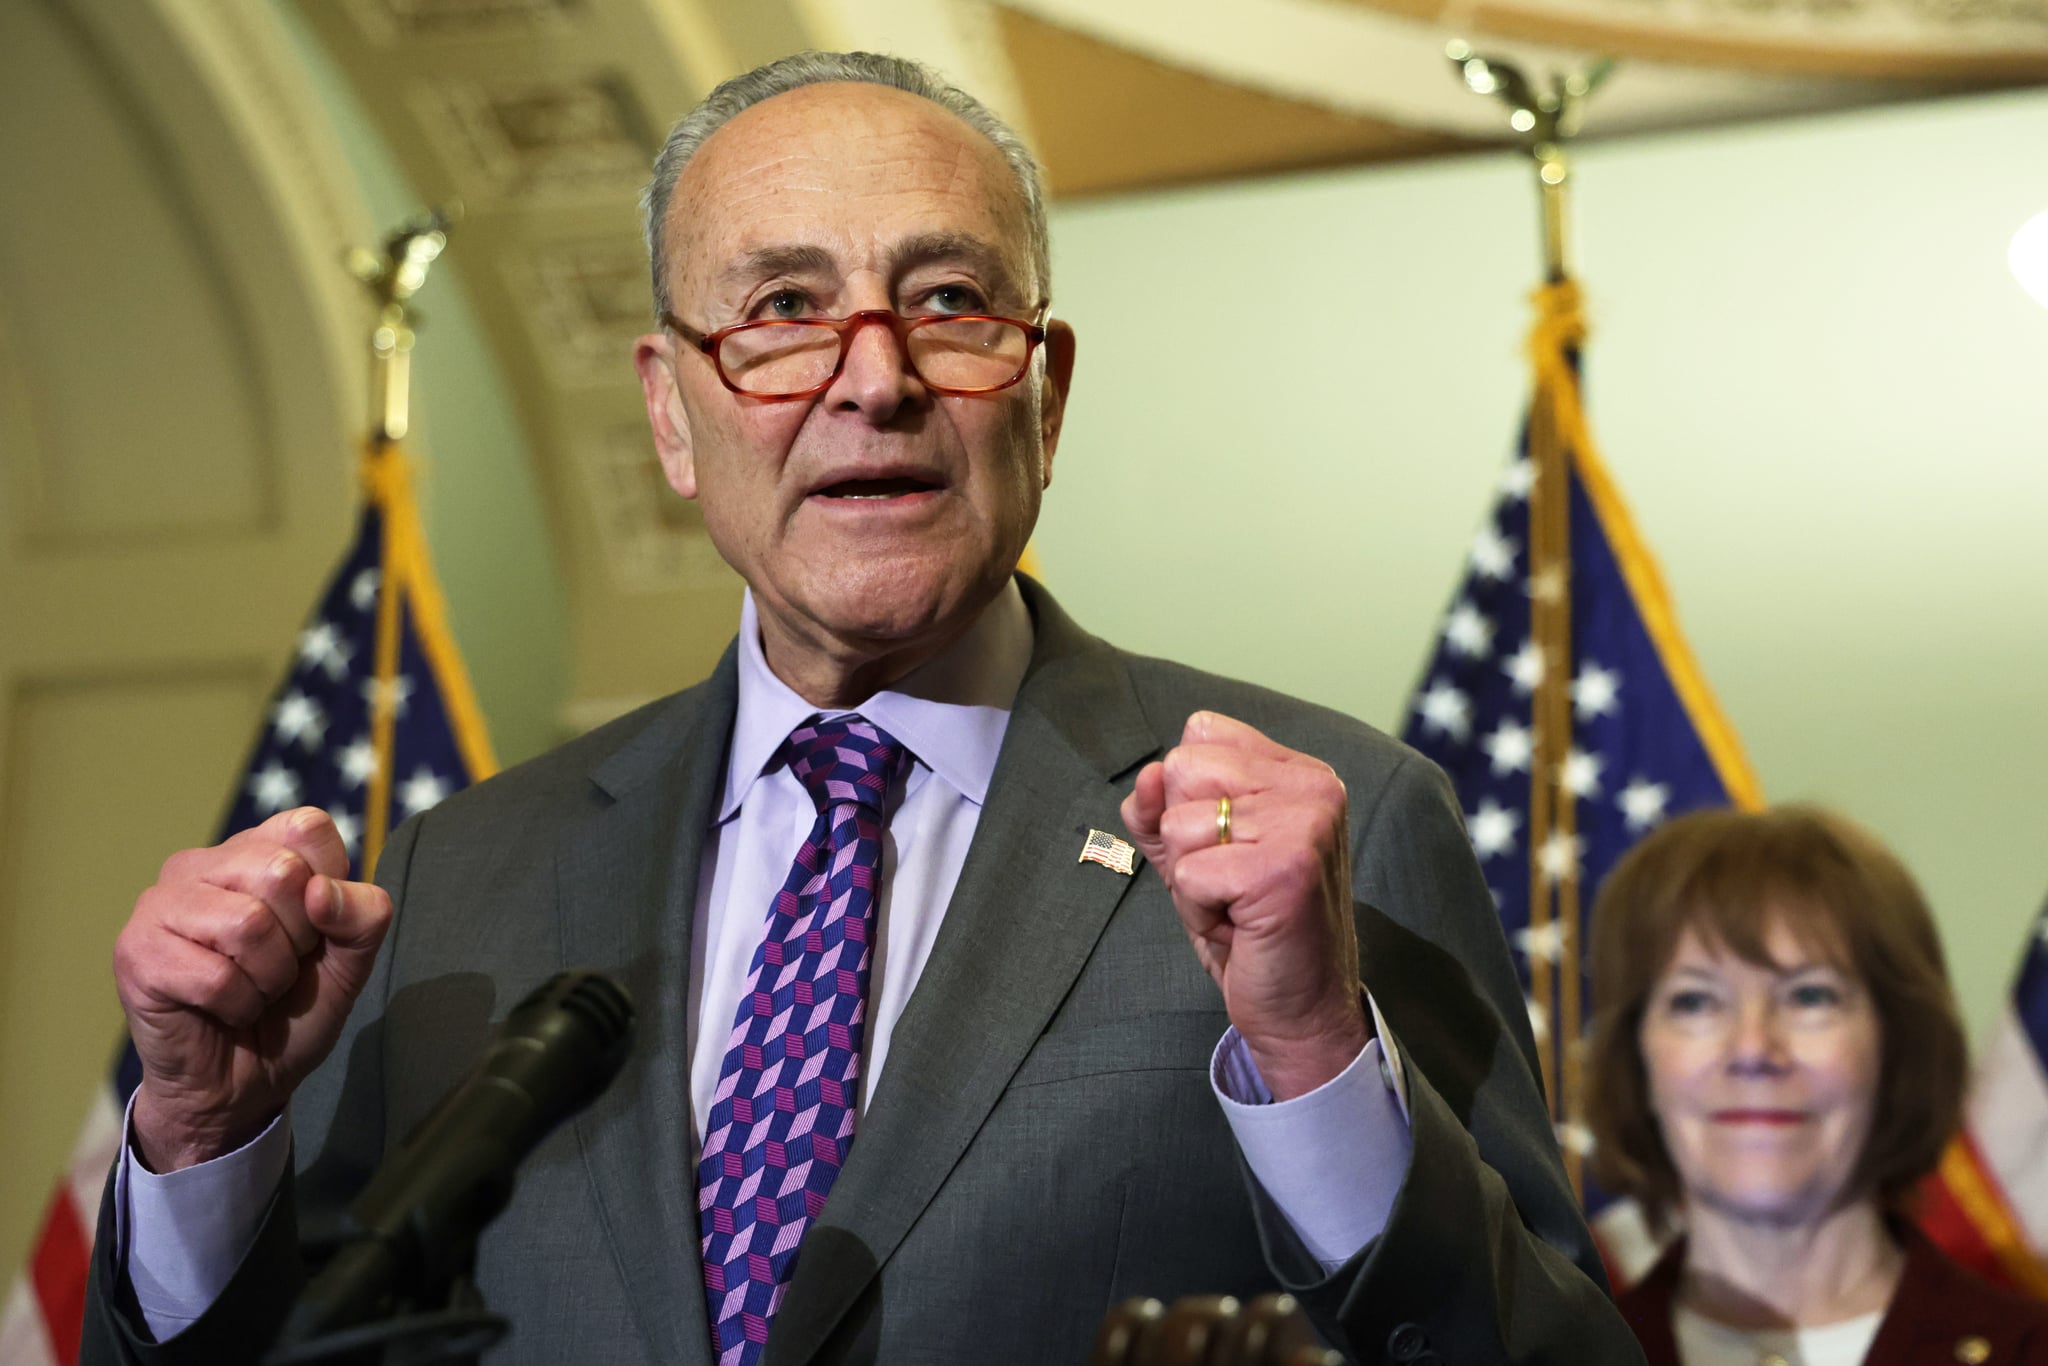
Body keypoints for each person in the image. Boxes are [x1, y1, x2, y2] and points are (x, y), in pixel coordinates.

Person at [82, 51, 1640, 1366]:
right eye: (781, 309)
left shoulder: (1330, 828)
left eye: (950, 299)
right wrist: (203, 1137)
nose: (874, 376)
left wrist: (1309, 1055)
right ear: (669, 414)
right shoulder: (456, 877)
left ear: (1047, 388)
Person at [1584, 804, 2048, 1365]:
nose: (1753, 1049)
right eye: (1696, 1002)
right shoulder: (1562, 1358)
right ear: (1636, 1059)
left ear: (1898, 1043)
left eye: (1809, 996)